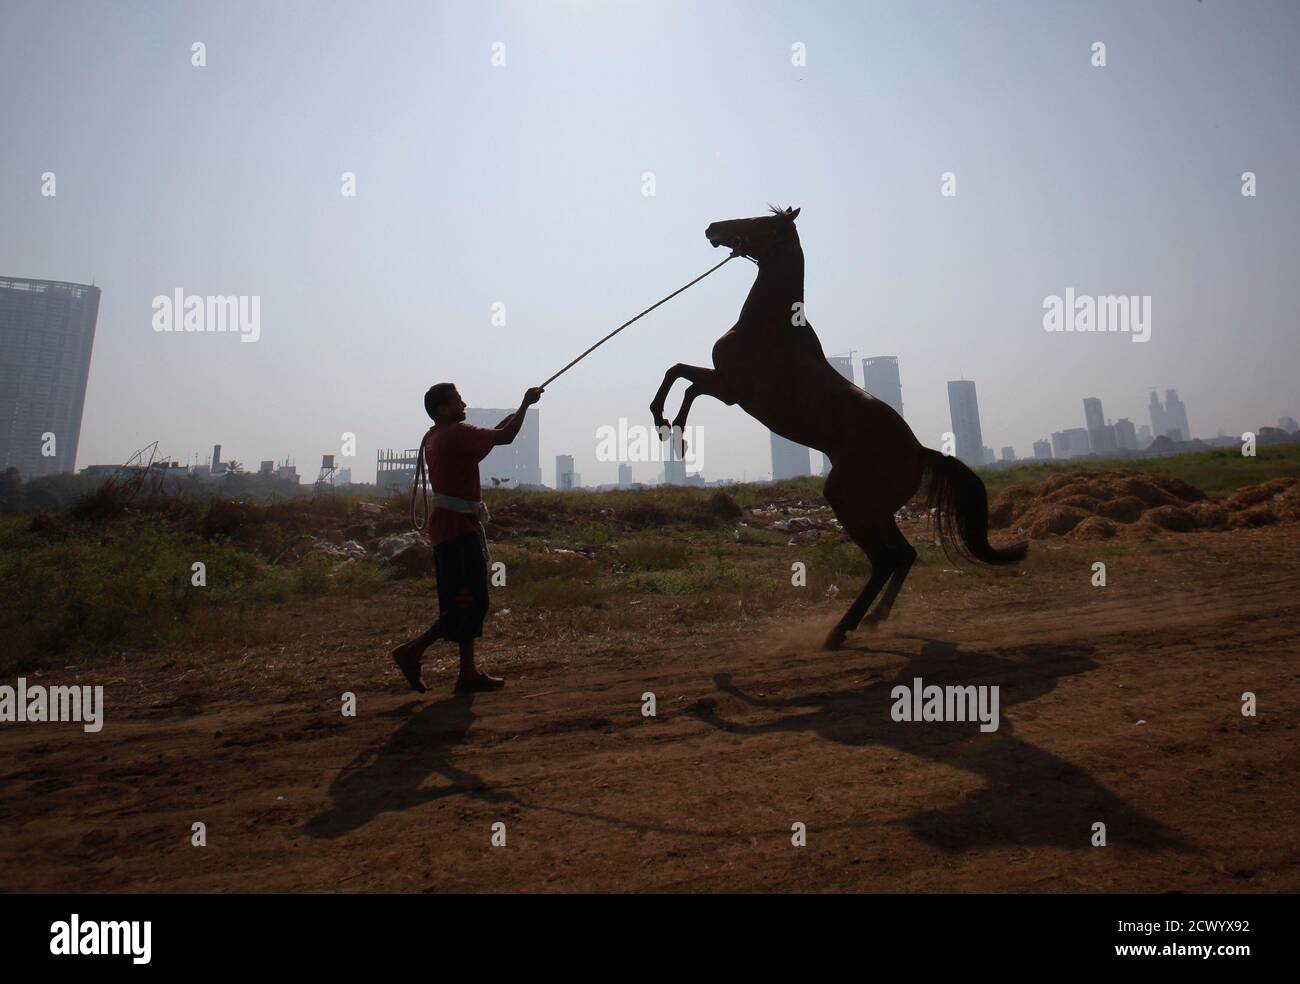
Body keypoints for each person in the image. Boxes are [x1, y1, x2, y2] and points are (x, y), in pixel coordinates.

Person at [392, 382, 544, 694]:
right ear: (444, 409)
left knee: (464, 599)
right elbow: (505, 437)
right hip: (458, 531)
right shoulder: (456, 434)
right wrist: (527, 404)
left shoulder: (436, 436)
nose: (465, 405)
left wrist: (518, 410)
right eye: (459, 402)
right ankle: (411, 652)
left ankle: (467, 673)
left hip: (450, 529)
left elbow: (492, 436)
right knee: (470, 603)